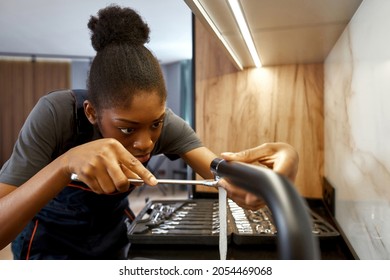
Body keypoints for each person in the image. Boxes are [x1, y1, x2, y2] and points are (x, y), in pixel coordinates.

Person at [0, 5, 299, 259]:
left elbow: (222, 175)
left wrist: (266, 179)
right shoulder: (56, 115)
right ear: (91, 113)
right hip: (48, 240)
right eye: (127, 129)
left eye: (155, 124)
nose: (145, 143)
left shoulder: (165, 125)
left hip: (113, 235)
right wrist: (65, 165)